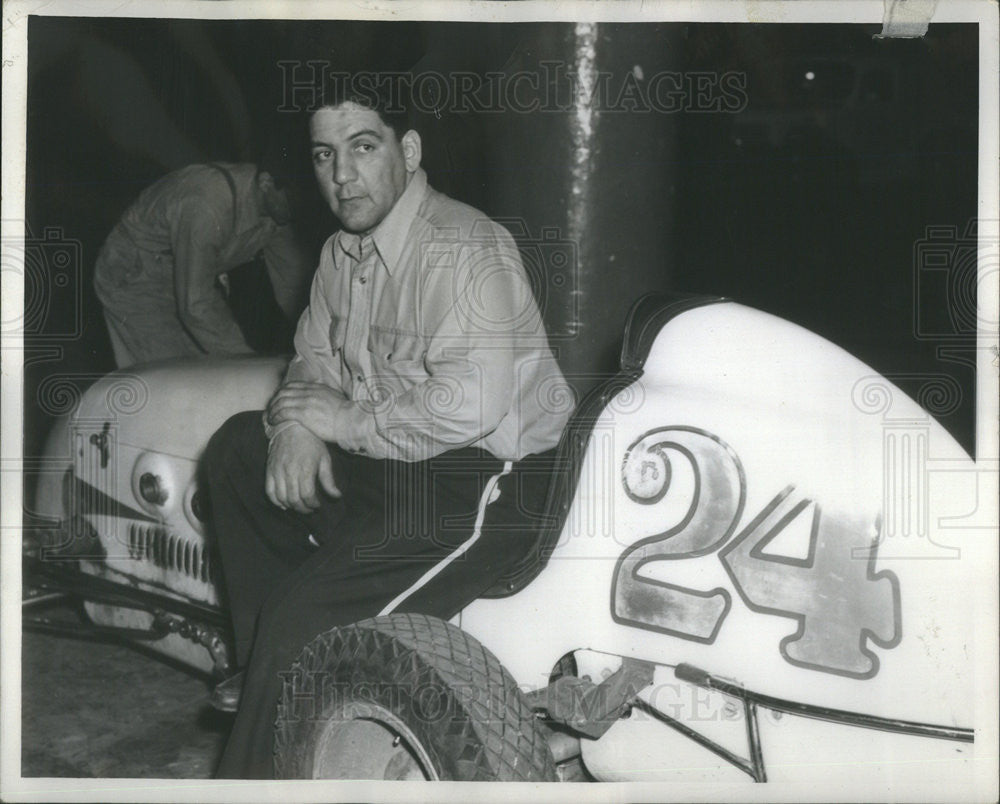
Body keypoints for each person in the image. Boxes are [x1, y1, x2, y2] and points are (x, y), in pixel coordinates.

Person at [203, 88, 573, 778]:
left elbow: (473, 404)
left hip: (490, 479)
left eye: (363, 148)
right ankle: (273, 672)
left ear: (407, 152)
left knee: (300, 619)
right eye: (324, 156)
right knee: (235, 451)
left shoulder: (465, 245)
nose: (342, 176)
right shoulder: (341, 253)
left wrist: (341, 421)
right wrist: (293, 431)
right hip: (398, 455)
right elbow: (311, 356)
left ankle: (269, 724)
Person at [93, 156, 312, 367]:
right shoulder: (207, 204)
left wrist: (313, 339)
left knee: (207, 364)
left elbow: (292, 284)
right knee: (173, 372)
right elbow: (196, 305)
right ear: (266, 183)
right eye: (293, 200)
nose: (298, 210)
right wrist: (246, 360)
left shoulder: (278, 209)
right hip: (136, 278)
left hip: (183, 275)